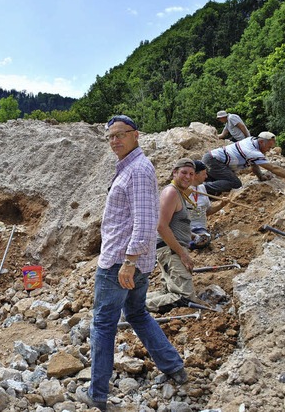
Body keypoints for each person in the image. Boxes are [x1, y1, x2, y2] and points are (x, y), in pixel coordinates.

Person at [75, 115, 186, 412]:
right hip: (132, 261)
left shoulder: (137, 169)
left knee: (103, 323)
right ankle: (174, 366)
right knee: (137, 313)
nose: (114, 141)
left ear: (135, 135)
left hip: (120, 263)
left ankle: (97, 394)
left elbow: (147, 220)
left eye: (120, 135)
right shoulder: (129, 167)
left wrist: (129, 261)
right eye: (110, 136)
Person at [147, 158, 202, 314]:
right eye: (183, 172)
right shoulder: (171, 192)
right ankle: (132, 311)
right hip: (170, 250)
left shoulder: (179, 194)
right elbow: (161, 226)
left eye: (191, 174)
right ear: (174, 172)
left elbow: (173, 223)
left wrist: (190, 235)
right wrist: (182, 254)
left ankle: (130, 304)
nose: (187, 177)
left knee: (167, 292)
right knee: (185, 297)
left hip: (170, 249)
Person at [202, 131, 285, 195]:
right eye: (268, 147)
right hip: (214, 161)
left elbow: (254, 164)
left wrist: (260, 176)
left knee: (221, 182)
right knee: (235, 184)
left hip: (213, 159)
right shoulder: (252, 152)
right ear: (261, 142)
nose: (269, 150)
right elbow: (273, 168)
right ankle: (201, 189)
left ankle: (204, 186)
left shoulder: (251, 140)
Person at [188, 160, 228, 250]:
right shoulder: (181, 191)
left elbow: (207, 211)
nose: (206, 177)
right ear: (195, 175)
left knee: (205, 238)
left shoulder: (202, 188)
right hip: (186, 229)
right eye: (203, 174)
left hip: (200, 229)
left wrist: (222, 204)